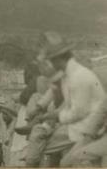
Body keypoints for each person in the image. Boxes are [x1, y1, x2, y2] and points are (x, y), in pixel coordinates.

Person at [25, 35, 106, 167]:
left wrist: (55, 116)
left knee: (43, 145)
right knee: (43, 142)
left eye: (50, 60)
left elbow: (79, 112)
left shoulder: (78, 76)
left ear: (57, 59)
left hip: (89, 127)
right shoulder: (68, 75)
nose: (49, 64)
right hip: (83, 125)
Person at [61, 96, 107, 167]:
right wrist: (89, 135)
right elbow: (100, 112)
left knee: (79, 158)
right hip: (100, 135)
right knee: (66, 162)